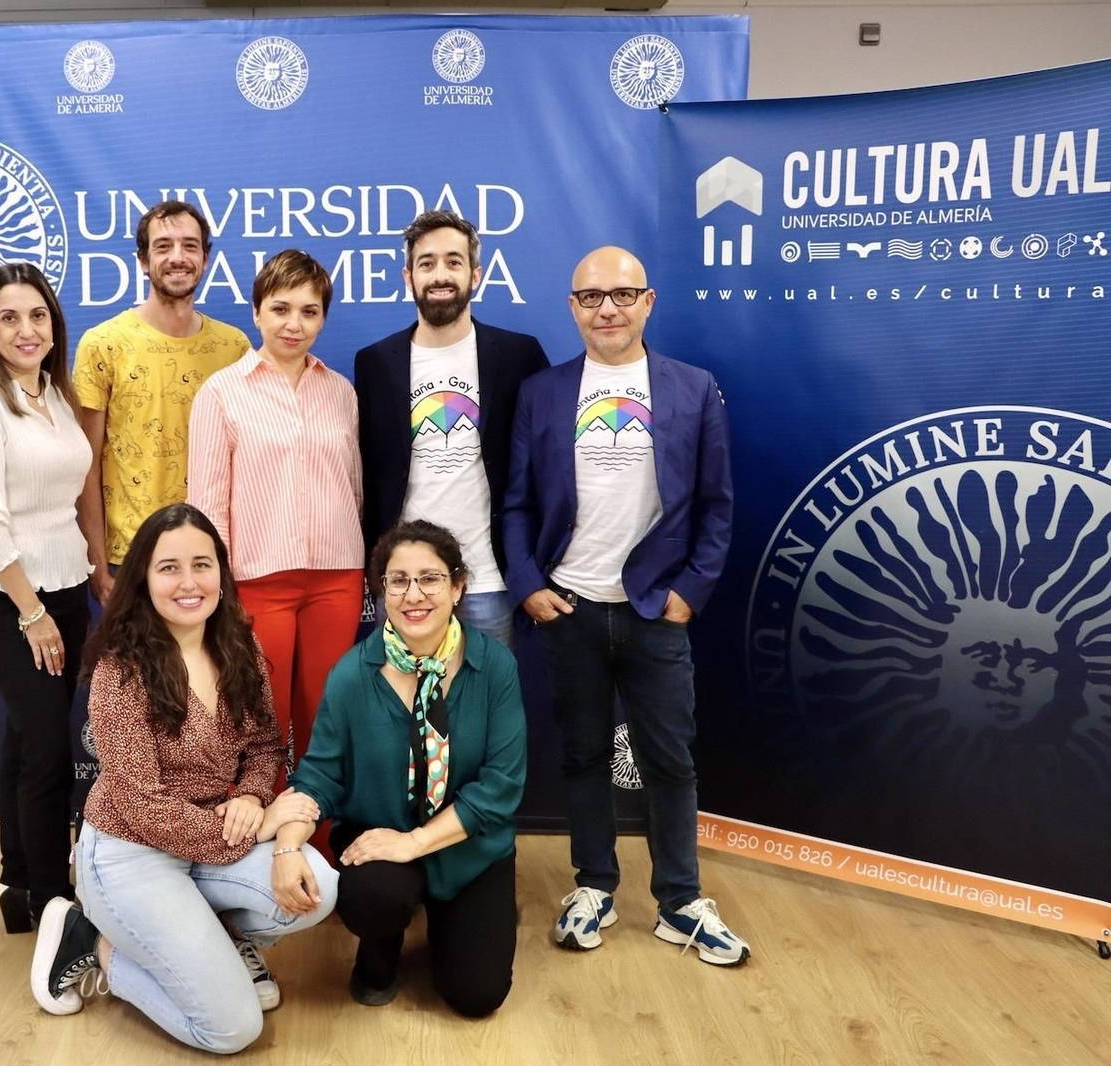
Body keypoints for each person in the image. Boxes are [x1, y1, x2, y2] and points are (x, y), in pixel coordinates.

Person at [503, 246, 749, 965]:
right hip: (570, 608)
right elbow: (516, 503)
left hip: (654, 611)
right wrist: (529, 585)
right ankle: (594, 886)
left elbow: (716, 505)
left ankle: (680, 900)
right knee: (583, 755)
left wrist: (689, 593)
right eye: (590, 297)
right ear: (572, 307)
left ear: (648, 301)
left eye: (621, 294)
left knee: (669, 760)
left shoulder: (693, 388)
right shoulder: (542, 392)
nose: (606, 309)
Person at [31, 504, 339, 1055]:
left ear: (221, 571)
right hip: (131, 854)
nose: (189, 583)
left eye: (202, 564)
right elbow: (142, 805)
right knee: (233, 1029)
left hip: (210, 841)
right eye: (169, 568)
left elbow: (265, 745)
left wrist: (252, 795)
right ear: (143, 578)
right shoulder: (121, 669)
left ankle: (216, 937)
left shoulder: (238, 644)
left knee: (319, 887)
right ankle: (93, 944)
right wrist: (259, 826)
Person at [281, 520, 527, 1016]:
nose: (414, 595)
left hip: (467, 849)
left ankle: (450, 922)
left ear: (457, 587)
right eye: (398, 581)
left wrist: (414, 843)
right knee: (374, 898)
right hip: (381, 845)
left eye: (430, 578)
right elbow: (318, 777)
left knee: (477, 996)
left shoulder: (495, 667)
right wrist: (287, 848)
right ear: (383, 591)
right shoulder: (352, 674)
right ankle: (381, 947)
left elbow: (500, 787)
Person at [0, 262, 93, 934]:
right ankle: (53, 898)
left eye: (37, 315)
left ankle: (17, 880)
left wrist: (66, 595)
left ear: (54, 325)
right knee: (48, 748)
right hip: (7, 597)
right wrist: (32, 612)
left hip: (66, 586)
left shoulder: (55, 394)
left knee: (25, 735)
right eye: (9, 317)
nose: (26, 329)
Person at [188, 249, 364, 785]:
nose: (294, 324)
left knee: (328, 720)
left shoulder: (340, 391)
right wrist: (216, 585)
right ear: (257, 312)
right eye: (281, 309)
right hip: (256, 582)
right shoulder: (221, 393)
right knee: (261, 723)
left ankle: (321, 832)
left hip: (337, 578)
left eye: (309, 312)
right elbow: (207, 505)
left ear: (323, 318)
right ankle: (262, 833)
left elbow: (354, 488)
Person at [355, 211, 549, 647]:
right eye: (426, 263)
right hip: (404, 583)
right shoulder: (376, 363)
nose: (440, 274)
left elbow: (546, 466)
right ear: (408, 277)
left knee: (486, 691)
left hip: (490, 581)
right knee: (402, 692)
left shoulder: (519, 356)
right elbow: (366, 473)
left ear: (475, 274)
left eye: (453, 261)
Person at [73, 201, 251, 604]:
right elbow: (86, 464)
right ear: (143, 260)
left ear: (205, 259)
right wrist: (97, 566)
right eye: (163, 246)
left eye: (189, 245)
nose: (177, 257)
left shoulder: (234, 347)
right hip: (129, 559)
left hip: (209, 558)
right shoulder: (103, 345)